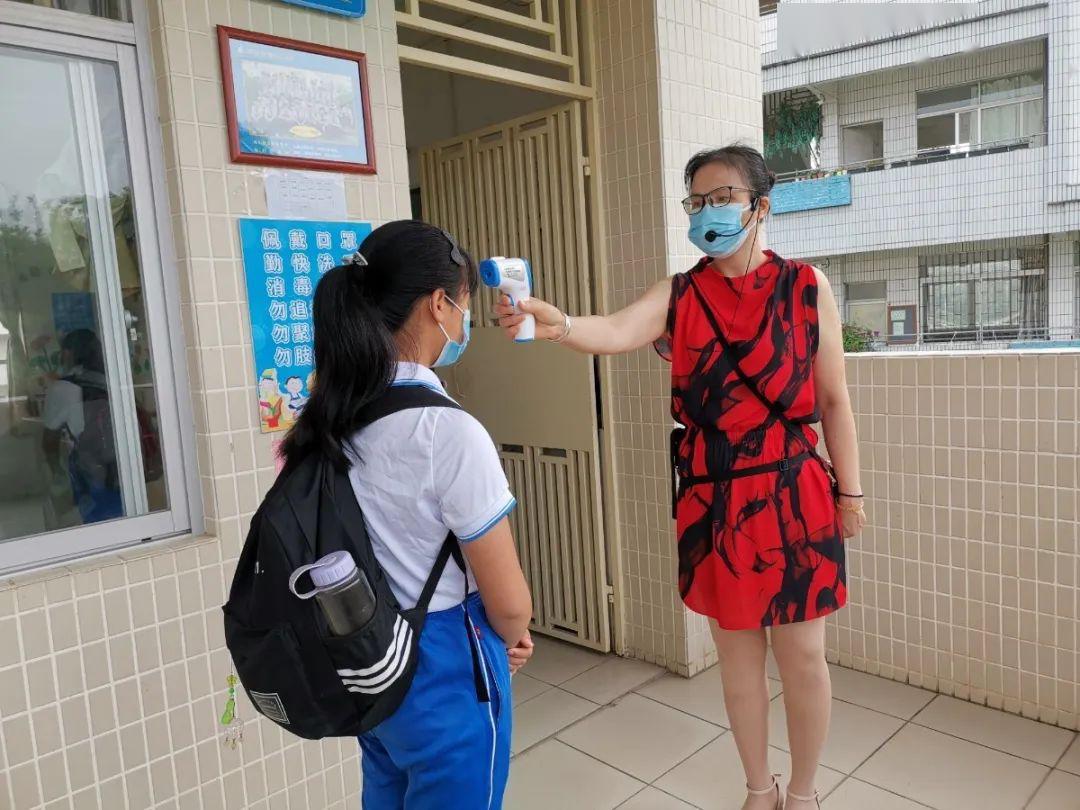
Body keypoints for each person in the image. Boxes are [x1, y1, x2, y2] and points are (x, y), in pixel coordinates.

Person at [495, 144, 866, 810]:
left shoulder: (807, 286)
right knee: (738, 659)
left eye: (721, 197)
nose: (707, 211)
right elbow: (614, 330)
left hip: (792, 492)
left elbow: (833, 398)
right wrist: (561, 326)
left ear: (760, 206)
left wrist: (852, 491)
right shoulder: (681, 293)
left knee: (805, 657)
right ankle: (758, 788)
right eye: (696, 201)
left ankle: (805, 791)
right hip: (715, 498)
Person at [281, 220, 534, 810]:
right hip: (448, 664)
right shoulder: (447, 432)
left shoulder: (329, 420)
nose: (464, 324)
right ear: (438, 305)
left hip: (374, 657)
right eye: (464, 307)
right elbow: (510, 601)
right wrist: (514, 637)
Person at [41, 328, 124, 525]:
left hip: (92, 474)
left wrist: (56, 473)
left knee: (99, 528)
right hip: (125, 468)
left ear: (68, 353)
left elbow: (49, 442)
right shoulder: (114, 380)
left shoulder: (61, 389)